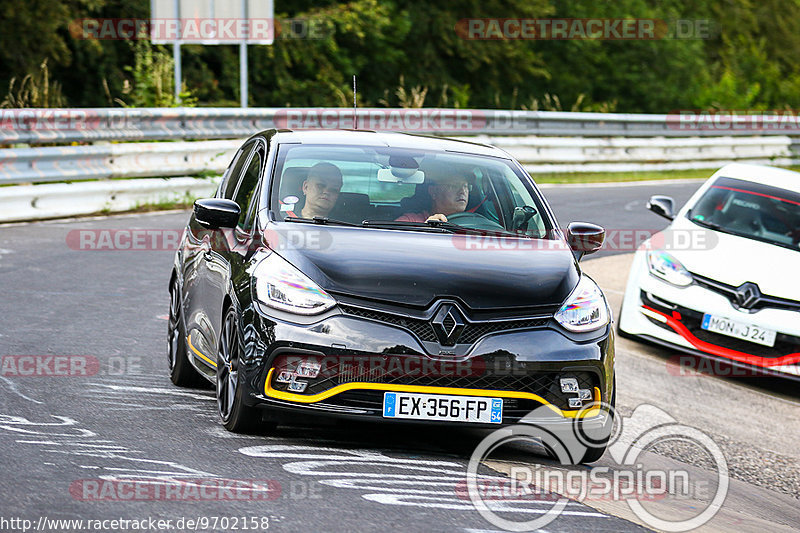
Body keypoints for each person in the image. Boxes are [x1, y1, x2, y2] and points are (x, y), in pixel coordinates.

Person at [396, 172, 472, 223]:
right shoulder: (410, 221)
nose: (462, 191)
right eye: (453, 186)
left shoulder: (478, 224)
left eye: (465, 186)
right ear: (433, 191)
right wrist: (425, 230)